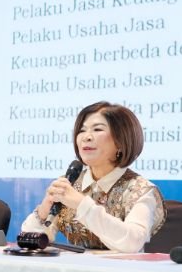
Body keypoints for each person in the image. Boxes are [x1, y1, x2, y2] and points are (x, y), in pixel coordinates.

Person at [22, 101, 166, 253]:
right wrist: (45, 209)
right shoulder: (70, 183)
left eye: (97, 129)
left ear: (121, 141)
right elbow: (30, 240)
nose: (86, 137)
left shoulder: (140, 190)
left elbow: (132, 243)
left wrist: (81, 204)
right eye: (82, 130)